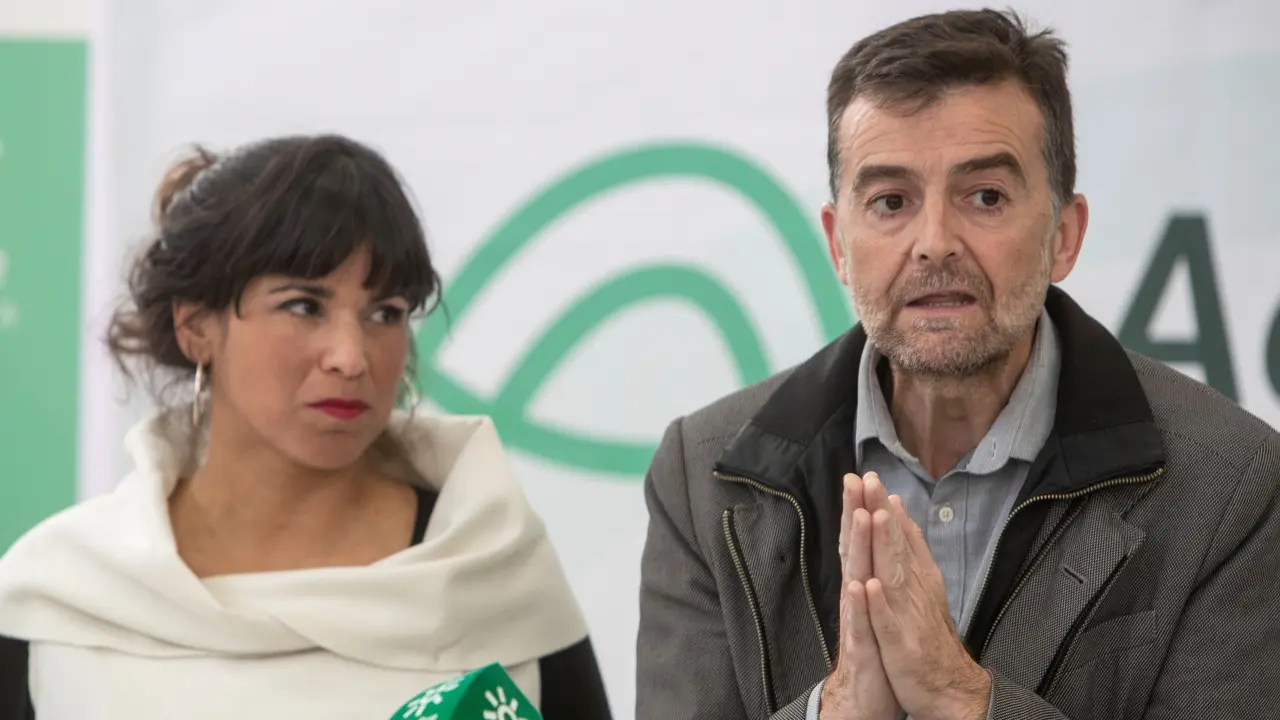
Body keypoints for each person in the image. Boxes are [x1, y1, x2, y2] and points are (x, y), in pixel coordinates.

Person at [636, 8, 1280, 720]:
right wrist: (836, 709)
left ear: (1064, 236)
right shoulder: (702, 478)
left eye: (985, 197)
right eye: (891, 201)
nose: (935, 241)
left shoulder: (1231, 487)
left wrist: (961, 696)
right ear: (839, 245)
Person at [0, 135, 612, 719]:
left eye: (385, 313)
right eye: (303, 306)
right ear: (196, 327)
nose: (351, 356)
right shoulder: (63, 597)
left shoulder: (491, 574)